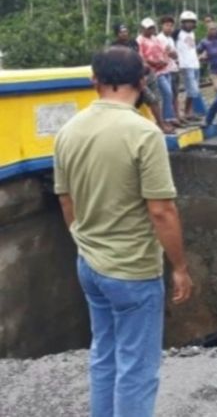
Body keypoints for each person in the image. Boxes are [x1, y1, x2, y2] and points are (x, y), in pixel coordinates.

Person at [53, 47, 193, 417]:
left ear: (94, 81)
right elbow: (161, 210)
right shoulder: (144, 134)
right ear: (142, 81)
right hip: (132, 270)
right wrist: (179, 267)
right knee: (137, 369)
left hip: (90, 264)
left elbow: (67, 202)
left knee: (105, 354)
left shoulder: (68, 131)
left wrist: (84, 243)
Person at [110, 24, 165, 133]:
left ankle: (160, 123)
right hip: (134, 77)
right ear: (117, 34)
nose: (125, 34)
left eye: (126, 31)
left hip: (146, 73)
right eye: (122, 32)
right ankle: (161, 125)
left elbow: (139, 56)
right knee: (151, 99)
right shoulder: (115, 47)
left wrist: (146, 66)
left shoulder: (133, 43)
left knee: (157, 98)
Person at [137, 17, 175, 133]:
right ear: (142, 29)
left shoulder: (155, 38)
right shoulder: (140, 40)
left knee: (160, 97)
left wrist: (164, 59)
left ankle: (164, 120)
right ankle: (165, 120)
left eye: (152, 28)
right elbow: (141, 57)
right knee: (165, 94)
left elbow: (162, 51)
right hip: (149, 72)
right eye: (148, 28)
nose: (151, 31)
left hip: (161, 70)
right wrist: (154, 63)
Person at [174, 10, 207, 122]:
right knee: (192, 90)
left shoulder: (192, 34)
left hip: (195, 64)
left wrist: (200, 56)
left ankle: (189, 112)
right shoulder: (177, 33)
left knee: (193, 90)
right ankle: (186, 112)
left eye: (191, 22)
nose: (189, 24)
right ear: (182, 23)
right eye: (186, 22)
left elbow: (191, 49)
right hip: (185, 65)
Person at [157, 16, 184, 126]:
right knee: (168, 95)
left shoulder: (170, 39)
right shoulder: (159, 38)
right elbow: (169, 53)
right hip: (164, 70)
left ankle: (174, 116)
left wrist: (173, 54)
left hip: (173, 68)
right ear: (162, 26)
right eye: (167, 25)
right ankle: (167, 118)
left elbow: (174, 53)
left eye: (171, 26)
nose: (169, 28)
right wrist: (172, 54)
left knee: (174, 94)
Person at [197, 22, 217, 101]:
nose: (213, 31)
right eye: (211, 29)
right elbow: (198, 50)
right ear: (208, 30)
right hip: (213, 68)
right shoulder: (204, 41)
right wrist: (202, 55)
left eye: (214, 29)